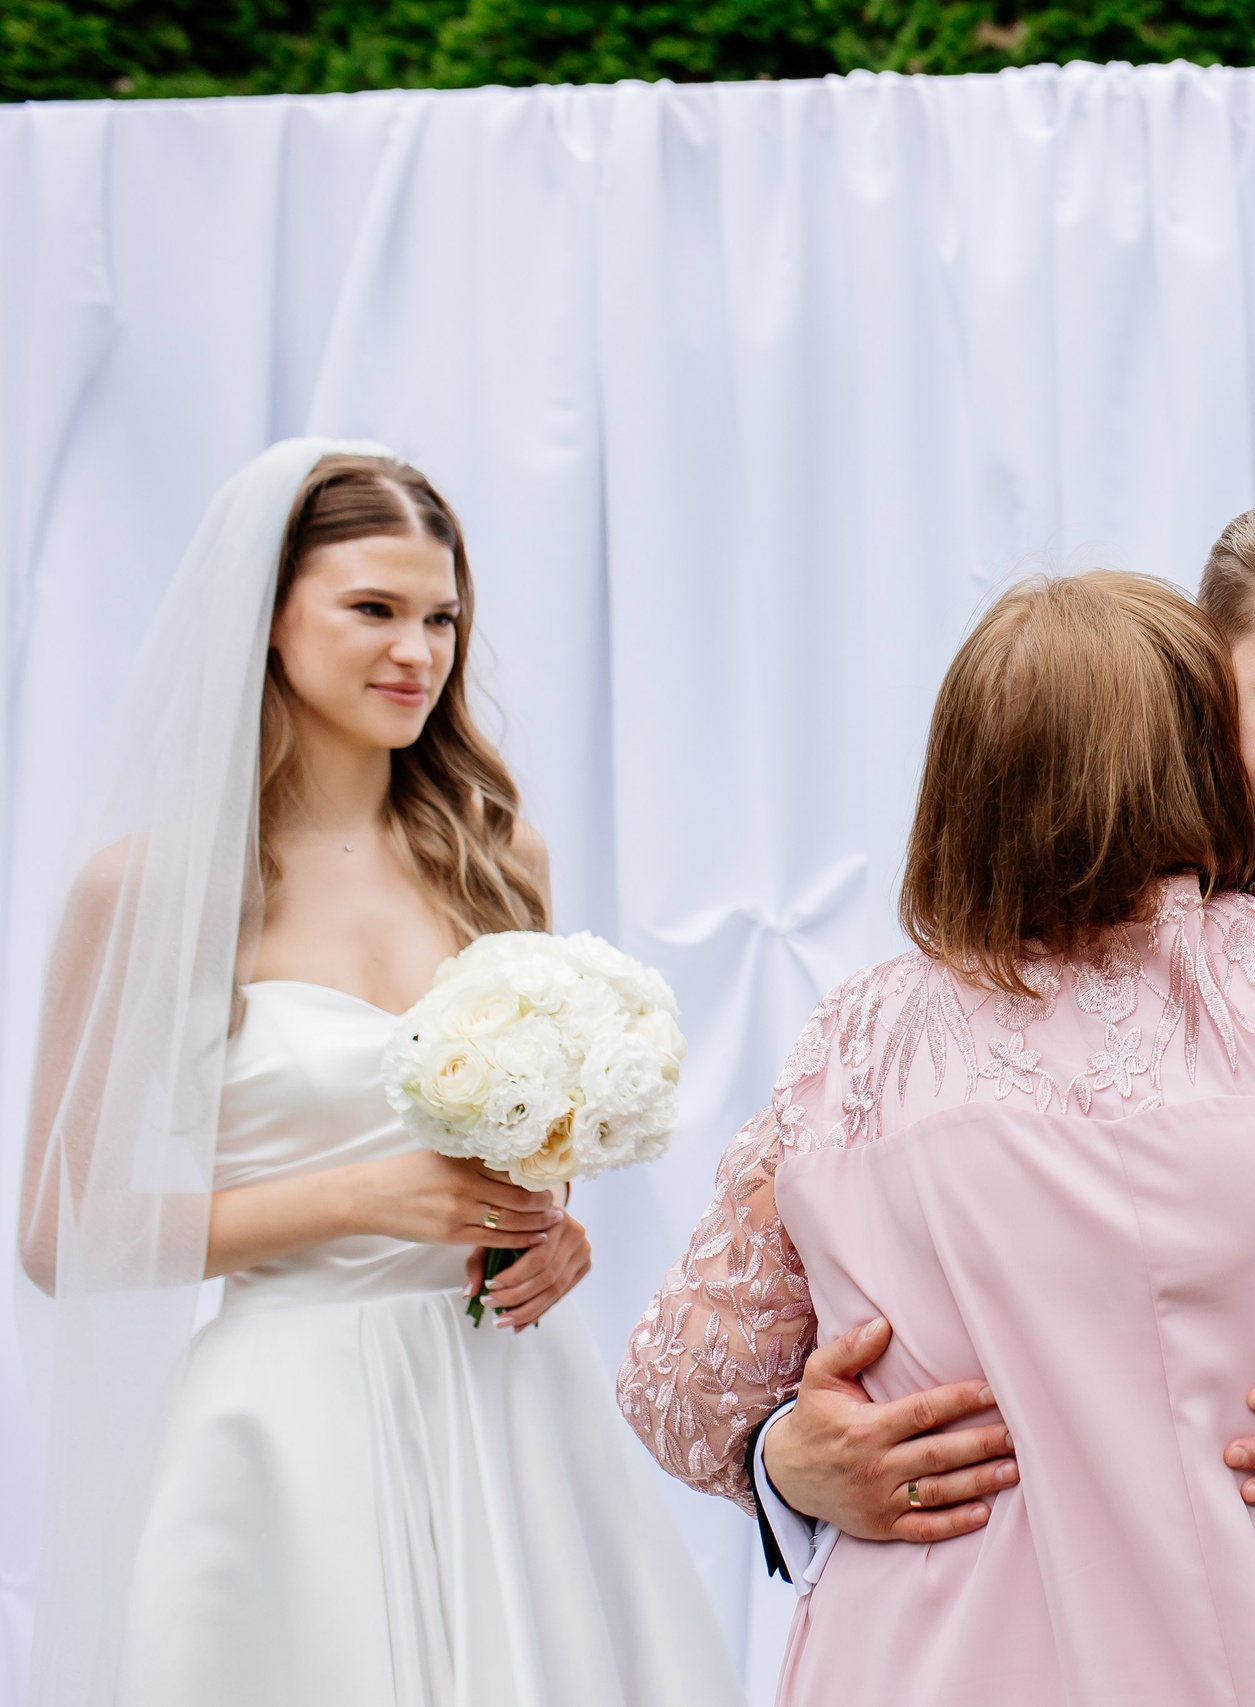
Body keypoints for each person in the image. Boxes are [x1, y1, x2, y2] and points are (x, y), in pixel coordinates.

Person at [618, 569, 1255, 1705]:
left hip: (935, 1660)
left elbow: (681, 1383)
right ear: (1203, 734)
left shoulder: (849, 1048)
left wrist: (774, 1454)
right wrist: (791, 1463)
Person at [16, 440, 743, 1707]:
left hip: (506, 1406)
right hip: (286, 1426)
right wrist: (357, 1199)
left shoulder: (498, 858)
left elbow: (525, 1148)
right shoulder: (147, 887)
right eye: (373, 610)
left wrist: (549, 1231)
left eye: (441, 617)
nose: (418, 651)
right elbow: (57, 1234)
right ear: (268, 615)